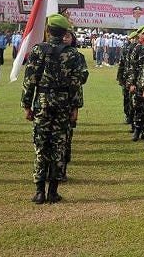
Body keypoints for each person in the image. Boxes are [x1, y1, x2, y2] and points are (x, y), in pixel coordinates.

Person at [21, 13, 86, 204]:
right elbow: (77, 83)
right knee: (59, 147)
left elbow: (29, 80)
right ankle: (53, 192)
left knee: (41, 146)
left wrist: (26, 104)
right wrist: (76, 107)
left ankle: (39, 191)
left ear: (48, 31)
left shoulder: (38, 50)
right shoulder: (74, 54)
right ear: (65, 32)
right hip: (63, 105)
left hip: (42, 104)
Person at [61, 29, 88, 182]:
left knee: (66, 137)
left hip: (70, 100)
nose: (65, 38)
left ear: (73, 39)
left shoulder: (78, 57)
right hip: (51, 102)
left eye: (68, 36)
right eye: (63, 36)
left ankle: (62, 169)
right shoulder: (49, 53)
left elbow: (83, 77)